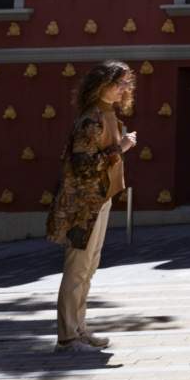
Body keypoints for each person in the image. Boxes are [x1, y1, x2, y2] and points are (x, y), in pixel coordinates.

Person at [45, 60, 135, 350]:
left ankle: (79, 328)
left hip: (100, 198)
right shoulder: (92, 119)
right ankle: (68, 336)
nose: (124, 88)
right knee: (77, 269)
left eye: (125, 83)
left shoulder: (108, 115)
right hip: (84, 202)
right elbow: (83, 165)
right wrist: (119, 148)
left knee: (89, 267)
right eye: (118, 83)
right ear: (102, 84)